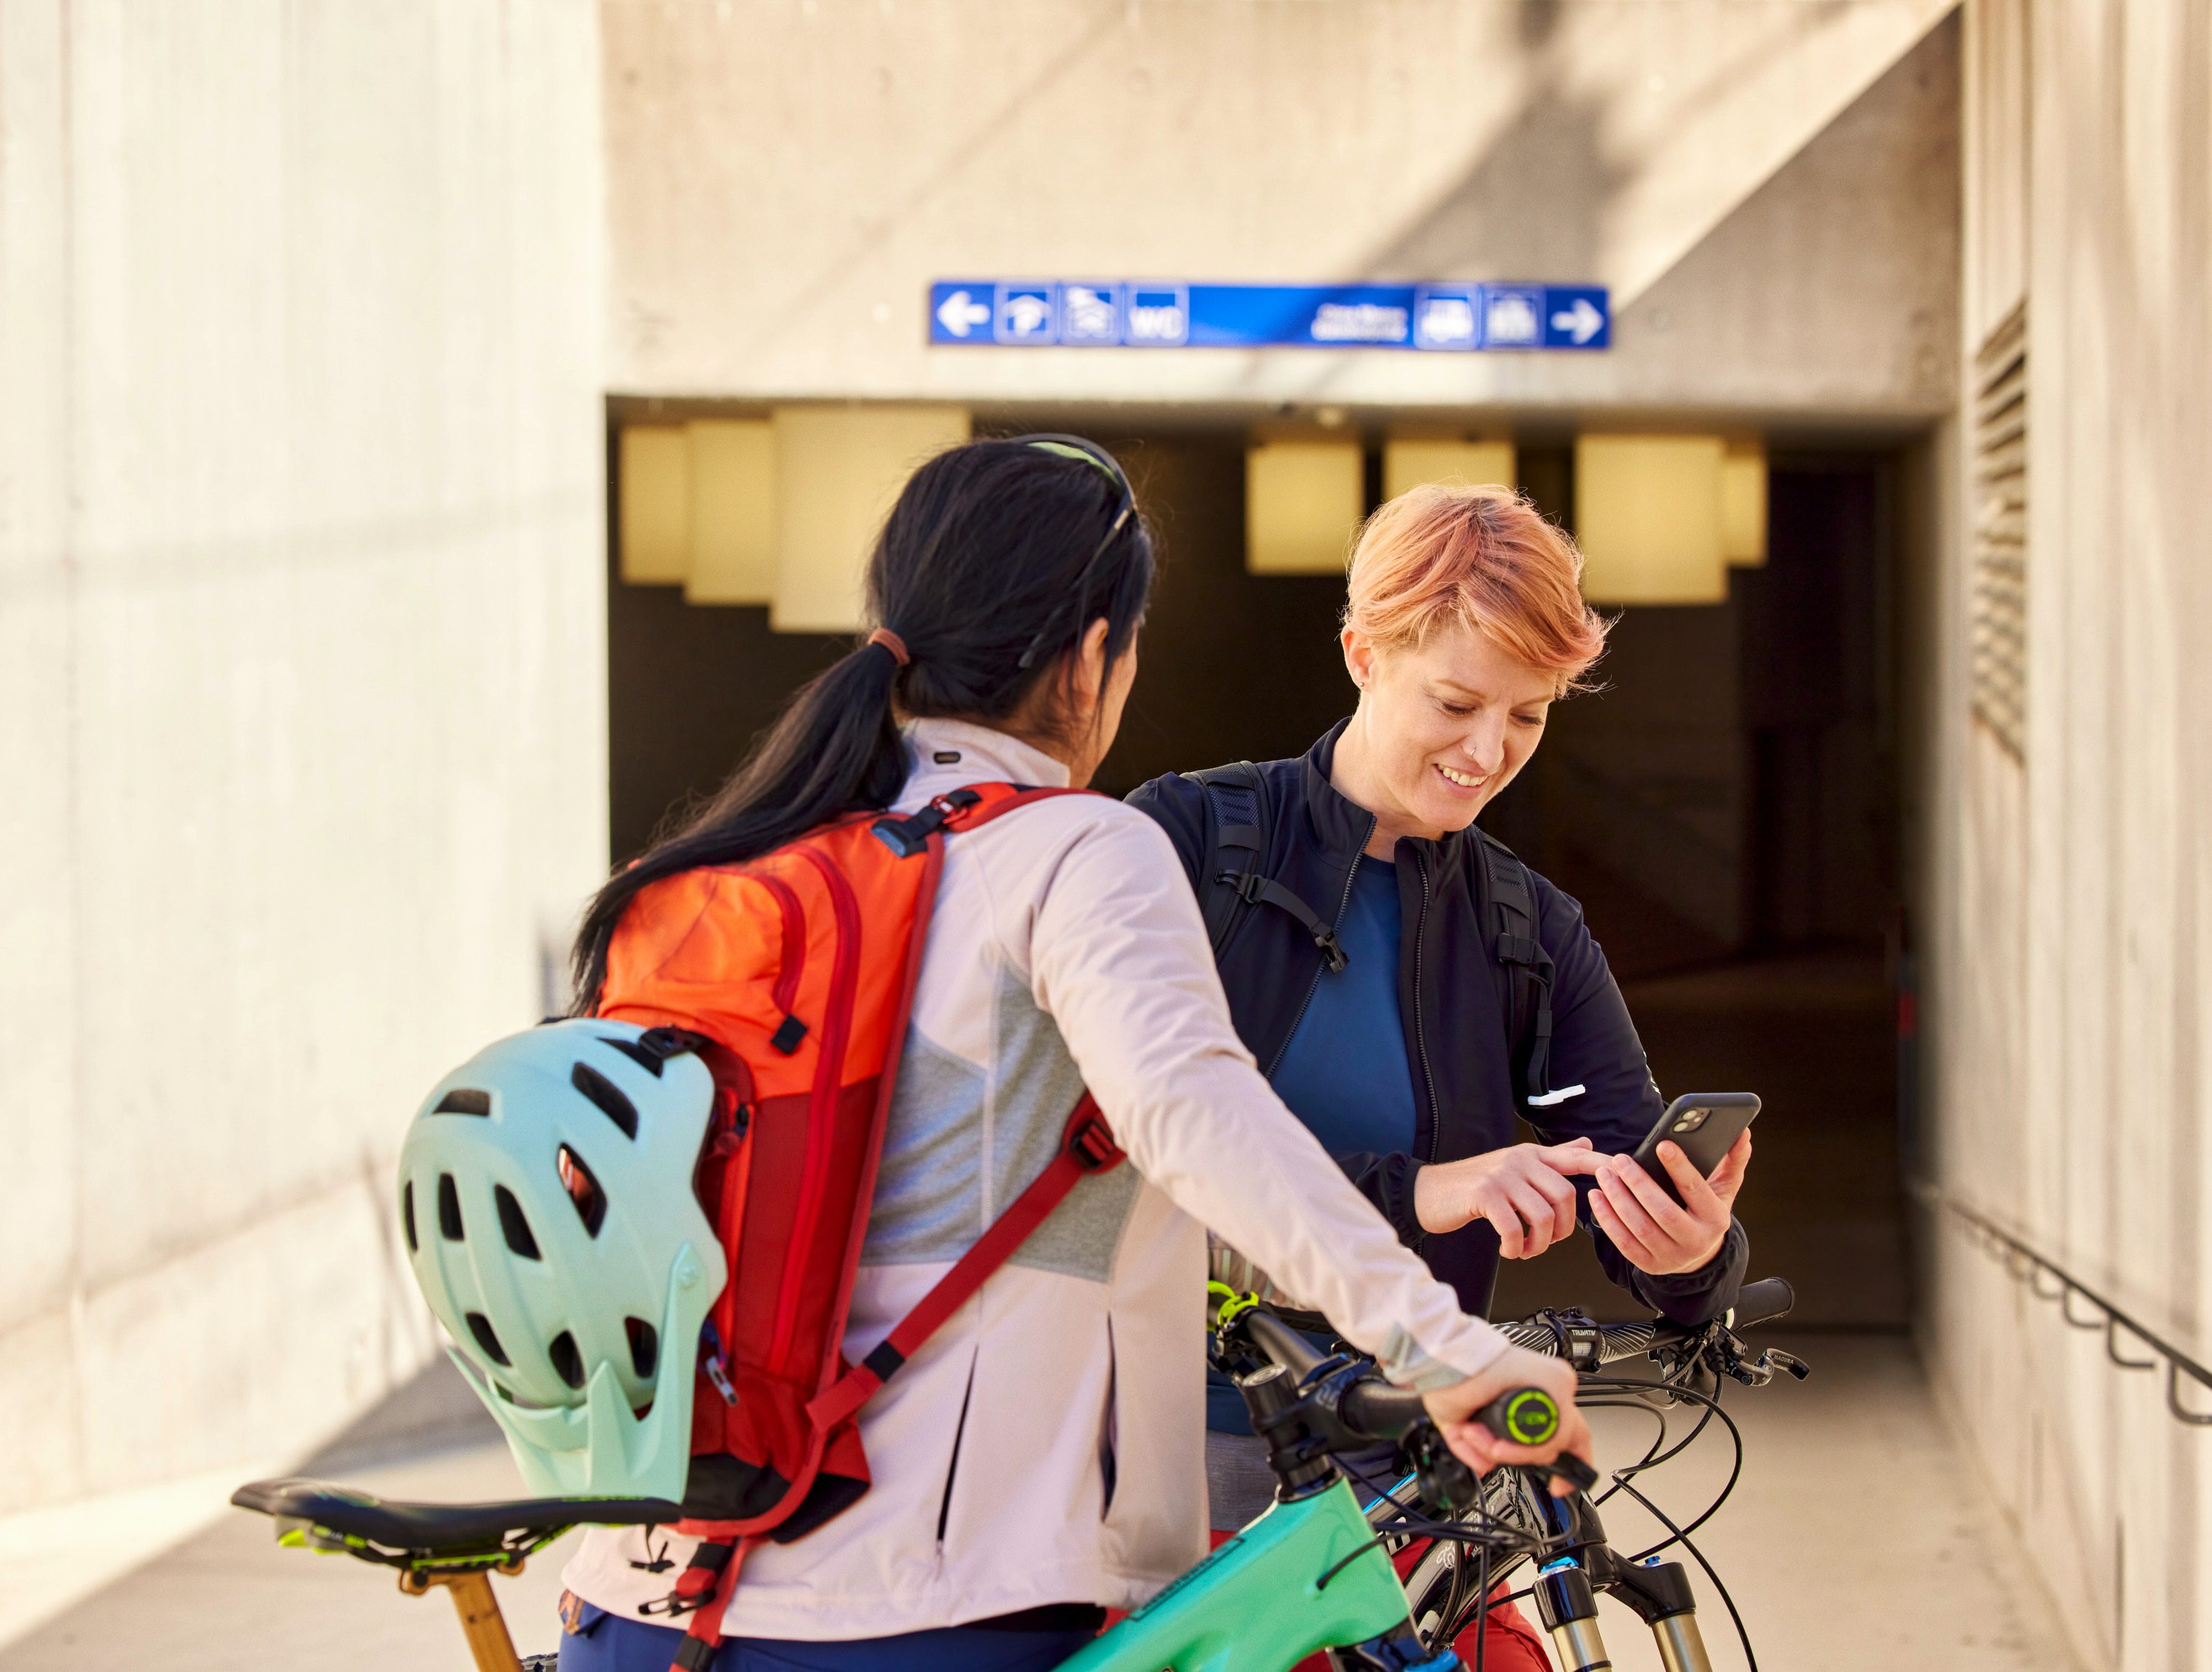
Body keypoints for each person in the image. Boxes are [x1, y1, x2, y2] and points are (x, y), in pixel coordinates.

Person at [552, 441, 1592, 1672]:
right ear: (1097, 654)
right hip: (935, 1610)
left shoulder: (731, 873)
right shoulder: (1074, 850)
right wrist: (1447, 1348)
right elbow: (1192, 1115)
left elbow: (1072, 1199)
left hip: (644, 1597)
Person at [1127, 483, 1753, 1569]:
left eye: (1529, 714)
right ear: (1363, 654)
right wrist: (1423, 1189)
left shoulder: (1530, 928)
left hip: (1411, 1463)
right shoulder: (1185, 842)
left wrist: (1694, 1255)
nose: (1489, 750)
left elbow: (1624, 1178)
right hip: (1155, 1446)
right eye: (1457, 703)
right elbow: (1107, 1146)